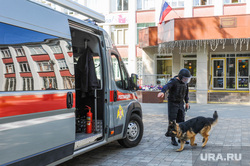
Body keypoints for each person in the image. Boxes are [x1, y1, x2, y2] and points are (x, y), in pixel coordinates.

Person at [157, 68, 191, 146]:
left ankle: (181, 138)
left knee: (181, 121)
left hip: (180, 103)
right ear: (180, 76)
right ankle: (173, 139)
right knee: (172, 121)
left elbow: (186, 93)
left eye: (187, 79)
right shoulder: (173, 81)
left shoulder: (185, 83)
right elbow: (166, 86)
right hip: (173, 103)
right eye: (185, 78)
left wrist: (187, 102)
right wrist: (162, 91)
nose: (186, 80)